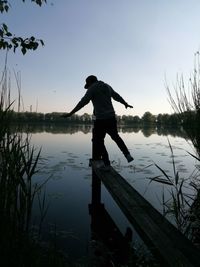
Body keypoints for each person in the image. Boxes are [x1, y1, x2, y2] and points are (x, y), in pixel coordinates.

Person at [63, 75, 134, 168]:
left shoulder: (92, 88)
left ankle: (107, 164)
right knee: (116, 137)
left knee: (98, 141)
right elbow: (116, 96)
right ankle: (127, 154)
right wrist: (125, 103)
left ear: (90, 83)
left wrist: (70, 113)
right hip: (111, 117)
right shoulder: (107, 86)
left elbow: (82, 102)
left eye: (88, 85)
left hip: (100, 120)